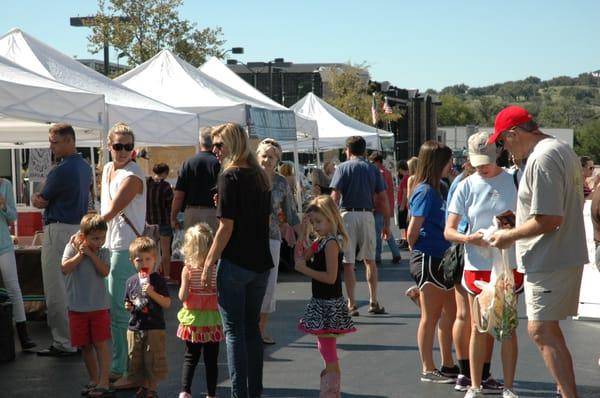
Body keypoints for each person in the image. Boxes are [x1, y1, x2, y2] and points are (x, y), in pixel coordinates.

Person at [488, 105, 588, 398]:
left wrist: (509, 235)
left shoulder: (542, 158)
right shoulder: (560, 150)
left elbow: (548, 219)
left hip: (549, 257)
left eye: (503, 140)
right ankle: (565, 391)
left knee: (541, 330)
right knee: (546, 330)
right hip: (557, 254)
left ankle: (569, 393)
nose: (503, 147)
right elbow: (552, 211)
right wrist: (518, 222)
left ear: (514, 133)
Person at [445, 132, 521, 398]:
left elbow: (530, 217)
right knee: (479, 326)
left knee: (507, 327)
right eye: (477, 162)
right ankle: (475, 385)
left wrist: (511, 231)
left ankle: (508, 388)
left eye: (486, 161)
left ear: (497, 153)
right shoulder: (466, 185)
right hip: (477, 264)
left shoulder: (515, 178)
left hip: (508, 263)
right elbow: (449, 230)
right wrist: (469, 238)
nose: (482, 167)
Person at [201, 123, 273, 398]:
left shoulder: (229, 176)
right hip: (260, 263)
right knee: (252, 330)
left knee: (233, 333)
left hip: (235, 263)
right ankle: (254, 392)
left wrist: (208, 263)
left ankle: (238, 394)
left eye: (219, 145)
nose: (215, 150)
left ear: (232, 144)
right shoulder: (260, 176)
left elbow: (226, 227)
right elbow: (259, 219)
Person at [32, 123, 92, 357]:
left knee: (56, 288)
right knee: (76, 288)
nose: (51, 147)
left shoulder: (61, 170)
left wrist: (40, 199)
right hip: (78, 228)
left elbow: (42, 199)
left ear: (69, 141)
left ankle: (64, 341)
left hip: (58, 230)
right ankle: (78, 338)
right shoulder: (85, 167)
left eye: (54, 142)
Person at [100, 122, 146, 389]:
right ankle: (120, 366)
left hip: (126, 249)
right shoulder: (107, 169)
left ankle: (130, 370)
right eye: (118, 146)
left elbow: (110, 211)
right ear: (109, 146)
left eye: (128, 147)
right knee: (115, 311)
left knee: (124, 311)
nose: (122, 151)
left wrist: (88, 228)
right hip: (111, 245)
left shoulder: (133, 175)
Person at [406, 140, 457, 383]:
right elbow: (412, 230)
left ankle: (448, 363)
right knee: (431, 316)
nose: (451, 165)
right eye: (448, 161)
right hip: (428, 257)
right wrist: (417, 253)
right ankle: (428, 368)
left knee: (450, 313)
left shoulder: (439, 188)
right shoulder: (425, 191)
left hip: (442, 258)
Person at [295, 195, 356, 397]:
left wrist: (305, 270)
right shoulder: (320, 241)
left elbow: (330, 277)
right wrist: (304, 233)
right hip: (321, 302)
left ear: (331, 218)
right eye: (313, 222)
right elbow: (301, 257)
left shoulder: (330, 243)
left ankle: (330, 392)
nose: (316, 226)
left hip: (329, 304)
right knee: (325, 349)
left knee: (328, 352)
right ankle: (331, 390)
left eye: (319, 222)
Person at [329, 136, 390, 316]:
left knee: (348, 262)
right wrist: (386, 224)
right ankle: (373, 300)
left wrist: (331, 221)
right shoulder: (373, 170)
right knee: (370, 260)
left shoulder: (342, 168)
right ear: (364, 151)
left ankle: (351, 303)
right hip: (366, 214)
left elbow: (334, 197)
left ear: (348, 150)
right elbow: (383, 198)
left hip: (347, 214)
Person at [61, 214, 112, 398]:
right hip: (77, 307)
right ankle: (93, 379)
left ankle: (104, 381)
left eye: (102, 237)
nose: (99, 242)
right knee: (85, 346)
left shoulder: (103, 252)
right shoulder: (71, 248)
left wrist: (90, 253)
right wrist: (81, 254)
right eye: (95, 238)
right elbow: (65, 268)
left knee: (100, 343)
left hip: (98, 307)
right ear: (83, 236)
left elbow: (105, 271)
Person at [256, 138, 300, 345]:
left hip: (272, 237)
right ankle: (248, 327)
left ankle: (261, 328)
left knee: (269, 286)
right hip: (247, 238)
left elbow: (291, 214)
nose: (266, 160)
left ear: (277, 160)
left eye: (271, 157)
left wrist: (305, 237)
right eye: (263, 155)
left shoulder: (281, 182)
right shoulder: (249, 177)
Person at [177, 224, 223, 398]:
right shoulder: (215, 269)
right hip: (212, 320)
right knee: (211, 360)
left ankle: (185, 391)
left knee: (190, 357)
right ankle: (211, 394)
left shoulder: (187, 269)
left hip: (193, 320)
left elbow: (182, 296)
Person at [124, 237, 171, 398]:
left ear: (154, 259)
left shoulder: (157, 280)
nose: (144, 263)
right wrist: (128, 306)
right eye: (139, 260)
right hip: (136, 326)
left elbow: (166, 303)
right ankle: (143, 385)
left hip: (154, 327)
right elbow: (128, 301)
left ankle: (152, 388)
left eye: (148, 259)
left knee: (152, 359)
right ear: (132, 261)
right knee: (136, 358)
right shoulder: (131, 281)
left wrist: (151, 292)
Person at [445, 159, 476, 391]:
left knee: (463, 315)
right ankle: (472, 371)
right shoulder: (470, 183)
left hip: (458, 249)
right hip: (469, 248)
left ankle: (464, 370)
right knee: (471, 317)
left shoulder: (458, 182)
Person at [0, 178, 36, 350]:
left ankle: (24, 336)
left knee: (13, 288)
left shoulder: (5, 185)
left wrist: (4, 205)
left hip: (3, 244)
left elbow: (12, 217)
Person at [171, 127, 220, 232]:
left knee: (192, 246)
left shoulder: (188, 163)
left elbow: (179, 195)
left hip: (191, 212)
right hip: (213, 212)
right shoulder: (219, 162)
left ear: (200, 142)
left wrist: (173, 217)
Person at [369, 151, 402, 264]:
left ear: (376, 161)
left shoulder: (379, 173)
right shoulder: (387, 172)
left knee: (377, 233)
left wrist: (373, 205)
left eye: (372, 162)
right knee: (386, 230)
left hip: (379, 207)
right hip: (387, 206)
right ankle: (396, 253)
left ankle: (377, 256)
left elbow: (377, 193)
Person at [146, 163, 174, 281]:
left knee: (150, 251)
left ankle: (150, 275)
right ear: (165, 173)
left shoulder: (147, 184)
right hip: (164, 222)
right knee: (165, 251)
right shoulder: (166, 186)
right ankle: (166, 276)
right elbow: (171, 205)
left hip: (150, 222)